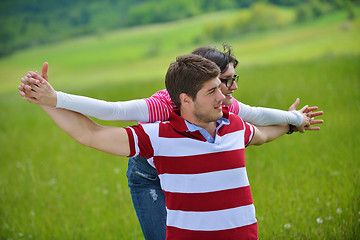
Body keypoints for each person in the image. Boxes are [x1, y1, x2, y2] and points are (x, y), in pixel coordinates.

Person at [19, 45, 323, 240]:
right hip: (148, 171)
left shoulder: (232, 120)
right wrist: (49, 99)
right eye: (216, 88)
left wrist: (294, 122)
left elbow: (262, 128)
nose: (227, 95)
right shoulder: (158, 125)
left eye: (225, 85)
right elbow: (97, 126)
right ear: (185, 98)